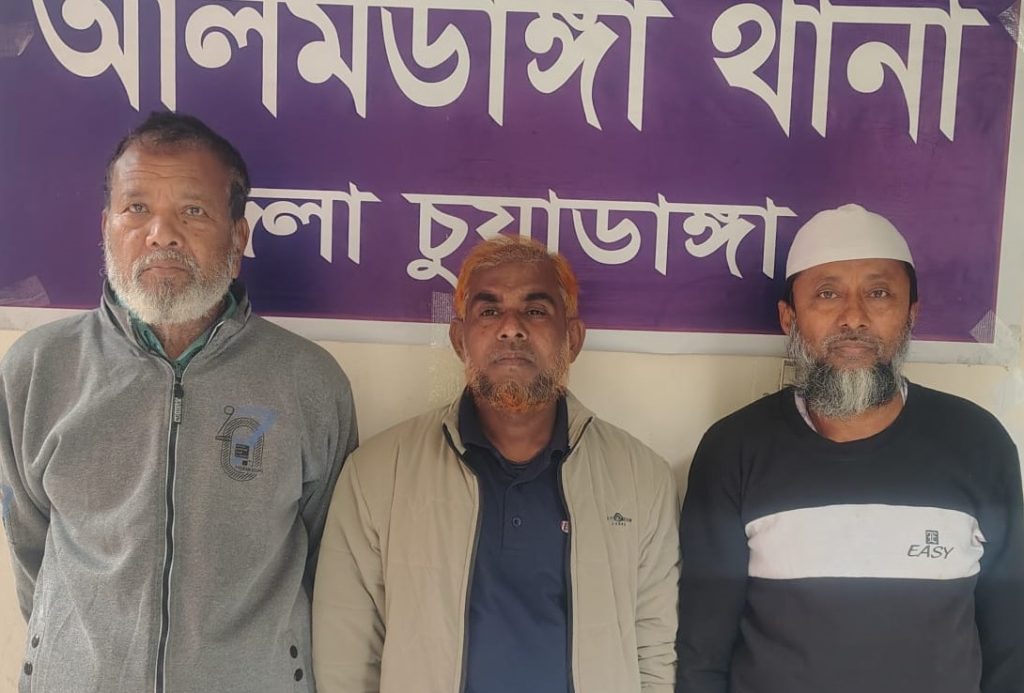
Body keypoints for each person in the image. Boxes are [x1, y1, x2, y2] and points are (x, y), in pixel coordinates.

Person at [0, 111, 358, 692]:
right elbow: (29, 545)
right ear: (106, 226)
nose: (161, 233)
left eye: (192, 211)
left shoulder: (308, 381)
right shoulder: (39, 369)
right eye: (136, 207)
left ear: (238, 238)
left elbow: (328, 560)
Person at [676, 203, 1024, 693]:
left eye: (878, 293)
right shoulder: (733, 450)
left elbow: (1011, 646)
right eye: (827, 294)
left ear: (911, 314)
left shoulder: (978, 444)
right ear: (789, 318)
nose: (854, 318)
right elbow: (702, 654)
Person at [312, 235, 679, 693]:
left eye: (535, 310)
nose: (511, 328)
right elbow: (346, 655)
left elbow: (654, 652)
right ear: (458, 339)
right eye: (489, 311)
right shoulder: (377, 474)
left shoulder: (641, 479)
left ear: (573, 338)